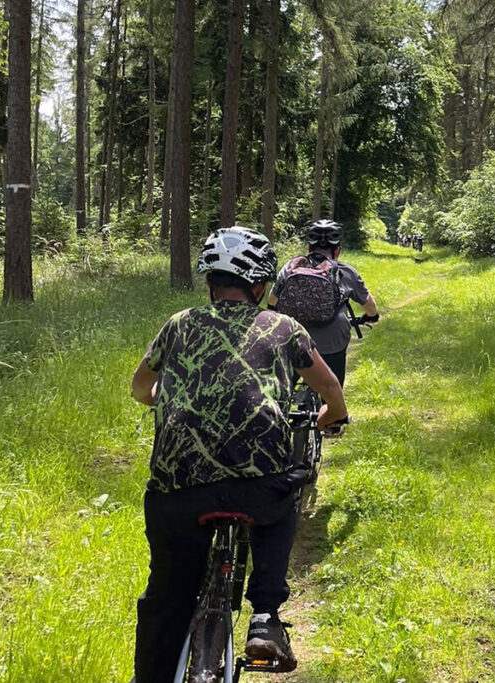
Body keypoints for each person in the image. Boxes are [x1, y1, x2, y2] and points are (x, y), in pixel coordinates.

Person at [129, 226, 348, 681]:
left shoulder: (178, 324)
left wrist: (170, 404)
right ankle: (266, 615)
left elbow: (140, 388)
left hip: (177, 490)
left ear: (209, 283)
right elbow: (333, 395)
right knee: (283, 499)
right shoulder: (286, 328)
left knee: (166, 595)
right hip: (257, 487)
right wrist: (326, 419)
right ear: (262, 286)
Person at [269, 219, 379, 387]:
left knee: (281, 391)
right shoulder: (346, 271)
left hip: (294, 340)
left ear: (309, 248)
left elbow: (271, 301)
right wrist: (372, 317)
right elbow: (369, 306)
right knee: (332, 393)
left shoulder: (291, 267)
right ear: (337, 251)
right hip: (332, 342)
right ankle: (332, 410)